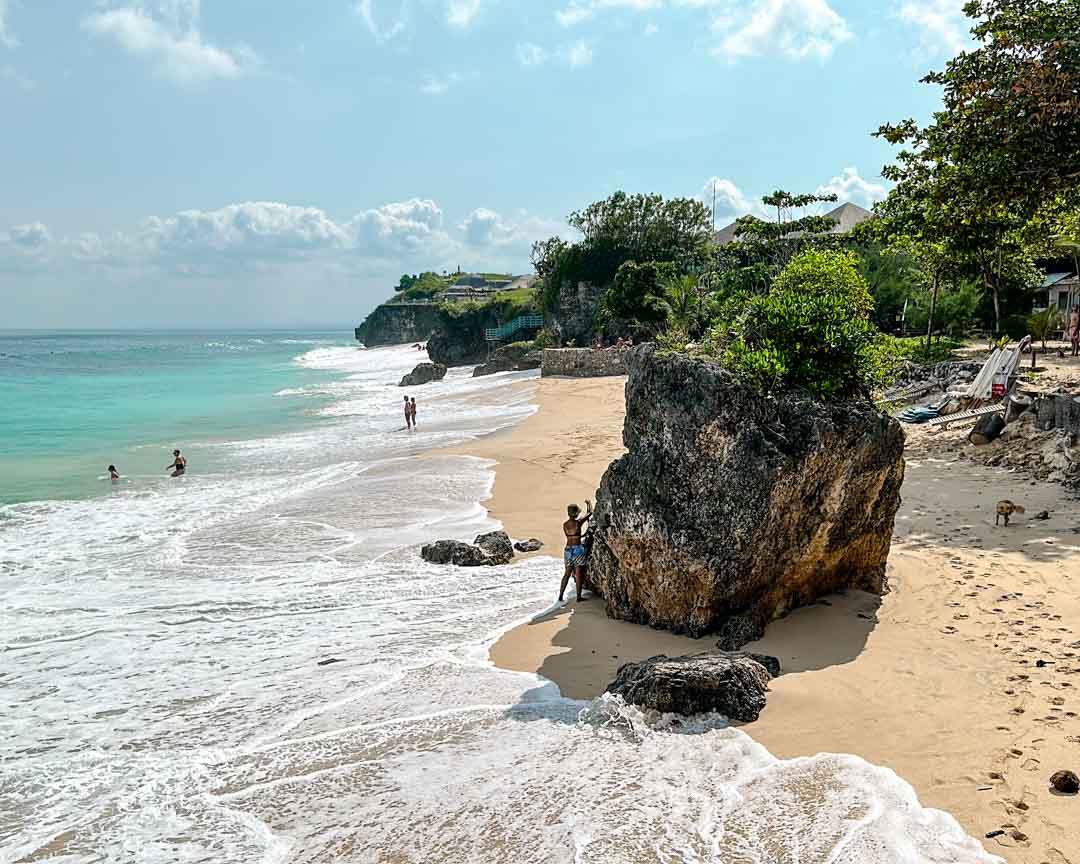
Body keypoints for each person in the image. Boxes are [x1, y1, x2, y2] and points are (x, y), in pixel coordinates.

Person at [560, 499, 592, 603]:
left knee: (567, 574)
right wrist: (589, 504)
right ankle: (578, 597)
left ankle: (560, 596)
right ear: (576, 513)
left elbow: (571, 535)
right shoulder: (578, 522)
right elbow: (589, 513)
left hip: (568, 549)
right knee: (578, 573)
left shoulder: (565, 525)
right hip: (577, 549)